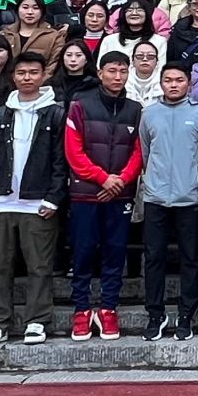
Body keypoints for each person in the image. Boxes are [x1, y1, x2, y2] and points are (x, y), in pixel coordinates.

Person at [0, 52, 68, 347]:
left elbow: (61, 161)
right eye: (21, 72)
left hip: (38, 204)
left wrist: (53, 198)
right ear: (13, 76)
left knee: (39, 266)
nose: (27, 77)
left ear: (43, 75)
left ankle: (37, 320)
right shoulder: (1, 113)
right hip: (2, 202)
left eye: (33, 72)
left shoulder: (55, 113)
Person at [65, 50, 142, 341]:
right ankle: (82, 309)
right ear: (100, 73)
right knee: (83, 251)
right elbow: (73, 152)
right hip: (86, 193)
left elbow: (139, 151)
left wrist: (121, 180)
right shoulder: (80, 106)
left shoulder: (136, 109)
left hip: (120, 194)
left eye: (123, 71)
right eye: (112, 71)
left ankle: (109, 307)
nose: (117, 77)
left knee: (115, 252)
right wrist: (102, 178)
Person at [138, 62, 198, 341]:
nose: (174, 85)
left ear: (189, 83)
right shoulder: (149, 114)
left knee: (191, 258)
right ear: (161, 83)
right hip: (155, 197)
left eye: (179, 80)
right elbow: (145, 152)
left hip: (190, 197)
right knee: (154, 258)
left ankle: (186, 313)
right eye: (168, 80)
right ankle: (156, 314)